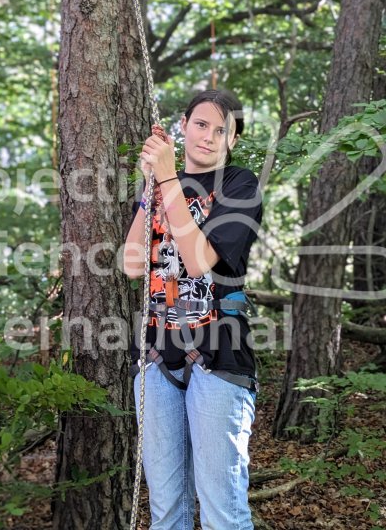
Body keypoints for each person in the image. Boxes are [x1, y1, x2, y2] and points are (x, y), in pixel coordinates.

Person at [122, 89, 264, 530]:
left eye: (223, 130)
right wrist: (152, 188)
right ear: (183, 125)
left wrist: (167, 181)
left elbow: (202, 260)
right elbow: (131, 265)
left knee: (222, 508)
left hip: (219, 358)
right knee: (167, 510)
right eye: (201, 124)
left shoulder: (240, 185)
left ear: (232, 142)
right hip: (157, 358)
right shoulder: (158, 189)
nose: (209, 136)